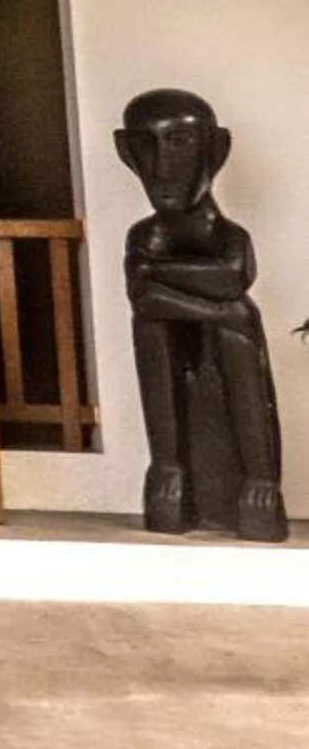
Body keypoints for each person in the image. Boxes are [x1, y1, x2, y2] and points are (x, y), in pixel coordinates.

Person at [114, 89, 286, 541]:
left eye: (178, 142)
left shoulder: (230, 235)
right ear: (127, 153)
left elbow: (231, 277)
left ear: (215, 149)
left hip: (230, 360)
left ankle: (259, 477)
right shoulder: (144, 236)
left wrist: (216, 304)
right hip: (175, 352)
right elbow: (144, 299)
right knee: (158, 325)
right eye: (147, 146)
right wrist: (220, 310)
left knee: (237, 332)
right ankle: (169, 466)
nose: (161, 165)